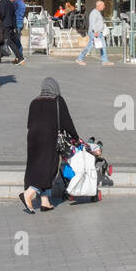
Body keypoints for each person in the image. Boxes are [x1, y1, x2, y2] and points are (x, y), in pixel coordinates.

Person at [21, 79, 78, 213]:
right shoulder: (58, 101)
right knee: (49, 168)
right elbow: (67, 121)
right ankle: (29, 193)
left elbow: (29, 123)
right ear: (55, 88)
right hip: (49, 139)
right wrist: (75, 137)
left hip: (33, 139)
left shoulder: (34, 101)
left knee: (37, 166)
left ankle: (45, 201)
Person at [77, 1, 114, 66]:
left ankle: (105, 61)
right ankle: (80, 59)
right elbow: (92, 23)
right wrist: (95, 31)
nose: (104, 7)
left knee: (103, 46)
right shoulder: (94, 13)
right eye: (103, 5)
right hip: (94, 33)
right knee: (89, 46)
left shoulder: (98, 13)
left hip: (99, 33)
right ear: (99, 5)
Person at [0, 0, 25, 66]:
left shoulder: (2, 2)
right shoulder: (10, 3)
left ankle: (20, 57)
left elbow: (2, 14)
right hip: (11, 25)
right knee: (4, 40)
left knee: (8, 41)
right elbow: (13, 14)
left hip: (5, 25)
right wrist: (14, 25)